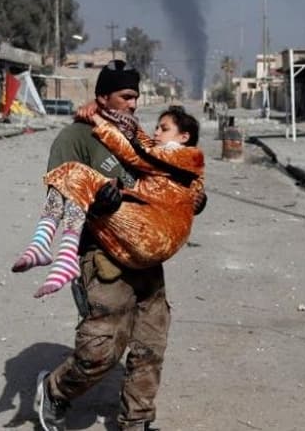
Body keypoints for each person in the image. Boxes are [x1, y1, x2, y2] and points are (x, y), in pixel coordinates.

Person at [25, 60, 206, 431]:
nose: (133, 104)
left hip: (146, 259)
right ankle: (54, 390)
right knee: (101, 350)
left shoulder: (136, 136)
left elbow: (164, 178)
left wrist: (191, 198)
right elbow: (62, 190)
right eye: (126, 96)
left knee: (150, 347)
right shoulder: (75, 138)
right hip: (102, 257)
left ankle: (136, 420)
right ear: (103, 97)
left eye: (135, 97)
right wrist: (98, 203)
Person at [12, 105, 204, 299]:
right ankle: (44, 244)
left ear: (184, 137)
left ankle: (58, 252)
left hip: (151, 231)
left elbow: (138, 153)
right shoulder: (177, 159)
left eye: (164, 129)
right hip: (140, 245)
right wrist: (107, 114)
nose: (156, 132)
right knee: (70, 178)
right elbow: (146, 145)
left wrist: (99, 119)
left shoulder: (185, 155)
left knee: (74, 172)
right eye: (157, 127)